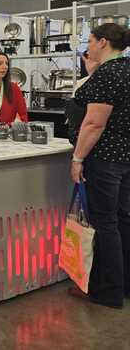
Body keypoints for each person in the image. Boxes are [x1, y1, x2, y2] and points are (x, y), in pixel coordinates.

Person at [67, 23, 130, 309]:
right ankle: (124, 285)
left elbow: (94, 123)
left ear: (103, 42)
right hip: (126, 156)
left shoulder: (108, 73)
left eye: (90, 41)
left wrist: (78, 158)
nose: (88, 46)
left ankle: (108, 291)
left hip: (105, 158)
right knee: (122, 220)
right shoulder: (125, 68)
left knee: (105, 223)